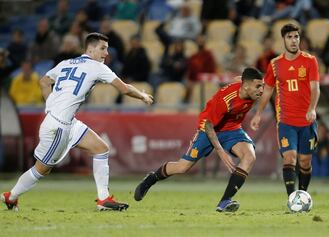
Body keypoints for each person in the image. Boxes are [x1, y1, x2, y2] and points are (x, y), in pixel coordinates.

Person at [1, 33, 154, 211]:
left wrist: (51, 106)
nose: (106, 53)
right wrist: (142, 95)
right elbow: (124, 88)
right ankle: (10, 196)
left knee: (101, 148)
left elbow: (44, 82)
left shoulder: (66, 63)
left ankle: (104, 200)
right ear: (90, 48)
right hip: (59, 126)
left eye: (107, 49)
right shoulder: (97, 67)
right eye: (102, 49)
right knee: (42, 169)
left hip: (66, 122)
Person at [134, 68, 264, 213]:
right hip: (208, 127)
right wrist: (221, 152)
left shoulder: (246, 85)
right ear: (246, 86)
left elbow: (240, 79)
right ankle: (151, 179)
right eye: (258, 86)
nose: (261, 90)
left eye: (262, 86)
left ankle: (225, 201)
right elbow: (209, 125)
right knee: (183, 167)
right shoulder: (226, 100)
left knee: (250, 156)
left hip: (232, 128)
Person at [250, 23, 320, 198]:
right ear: (284, 40)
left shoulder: (310, 61)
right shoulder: (275, 64)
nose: (294, 40)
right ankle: (292, 199)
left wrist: (312, 109)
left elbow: (315, 88)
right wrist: (258, 113)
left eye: (296, 36)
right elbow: (267, 90)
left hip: (307, 120)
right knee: (289, 158)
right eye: (290, 37)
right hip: (286, 121)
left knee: (305, 162)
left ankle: (302, 195)